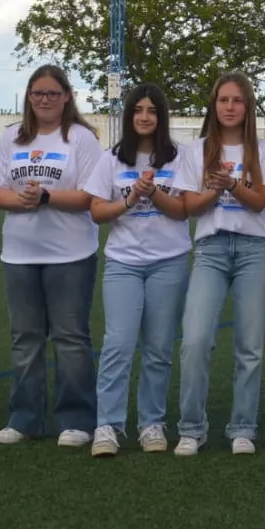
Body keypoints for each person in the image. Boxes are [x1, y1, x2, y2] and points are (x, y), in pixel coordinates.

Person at [0, 65, 110, 449]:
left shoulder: (81, 139)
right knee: (25, 339)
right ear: (28, 97)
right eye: (37, 94)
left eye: (52, 93)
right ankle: (25, 418)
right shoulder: (12, 138)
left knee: (71, 338)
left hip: (70, 253)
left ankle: (76, 419)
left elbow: (89, 197)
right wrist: (21, 200)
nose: (44, 100)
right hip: (20, 253)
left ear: (67, 97)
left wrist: (47, 197)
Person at [173, 71, 265, 457]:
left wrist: (232, 185)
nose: (230, 107)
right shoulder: (196, 150)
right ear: (214, 105)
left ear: (248, 106)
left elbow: (259, 204)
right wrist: (215, 189)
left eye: (237, 101)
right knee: (195, 340)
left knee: (249, 346)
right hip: (211, 250)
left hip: (253, 250)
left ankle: (243, 427)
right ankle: (191, 427)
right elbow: (188, 208)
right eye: (224, 101)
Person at [89, 82, 190, 455]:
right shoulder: (111, 159)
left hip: (170, 261)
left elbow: (183, 211)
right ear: (129, 116)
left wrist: (155, 193)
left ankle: (151, 424)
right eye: (137, 110)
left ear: (161, 117)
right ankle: (107, 426)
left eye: (151, 111)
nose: (144, 117)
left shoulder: (180, 158)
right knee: (117, 344)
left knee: (159, 348)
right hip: (123, 263)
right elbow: (98, 212)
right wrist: (132, 197)